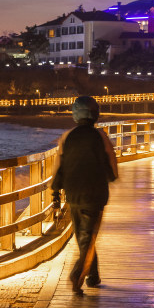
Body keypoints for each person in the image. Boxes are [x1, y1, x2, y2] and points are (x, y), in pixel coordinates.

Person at [51, 95, 118, 295]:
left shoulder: (66, 137)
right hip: (95, 194)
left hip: (73, 193)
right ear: (95, 114)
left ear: (75, 114)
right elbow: (113, 171)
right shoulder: (101, 136)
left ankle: (93, 275)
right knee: (88, 236)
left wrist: (55, 192)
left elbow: (58, 168)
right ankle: (77, 274)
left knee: (83, 236)